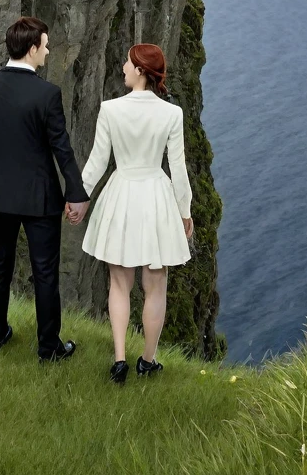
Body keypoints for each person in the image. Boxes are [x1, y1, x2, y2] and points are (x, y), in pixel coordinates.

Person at [0, 16, 90, 362]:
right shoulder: (47, 95)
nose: (47, 51)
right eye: (45, 45)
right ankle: (49, 348)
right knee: (45, 272)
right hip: (39, 198)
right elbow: (62, 149)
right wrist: (76, 193)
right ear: (32, 49)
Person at [80, 43, 194, 384]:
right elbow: (178, 169)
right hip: (156, 199)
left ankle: (119, 359)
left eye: (128, 63)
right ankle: (147, 360)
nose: (123, 68)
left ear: (141, 71)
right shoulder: (171, 114)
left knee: (119, 282)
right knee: (155, 284)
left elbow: (97, 163)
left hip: (122, 195)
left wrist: (78, 198)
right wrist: (184, 212)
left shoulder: (110, 110)